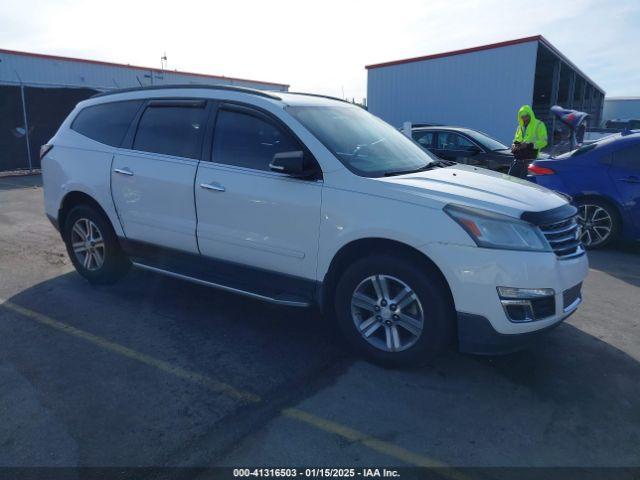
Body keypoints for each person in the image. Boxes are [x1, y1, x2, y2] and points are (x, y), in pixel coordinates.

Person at [509, 105, 548, 178]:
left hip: (530, 160)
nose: (524, 118)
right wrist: (514, 145)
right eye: (522, 117)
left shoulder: (539, 124)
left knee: (525, 184)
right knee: (511, 181)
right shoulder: (520, 127)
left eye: (526, 116)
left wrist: (529, 145)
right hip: (518, 159)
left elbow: (544, 142)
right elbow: (516, 140)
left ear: (530, 115)